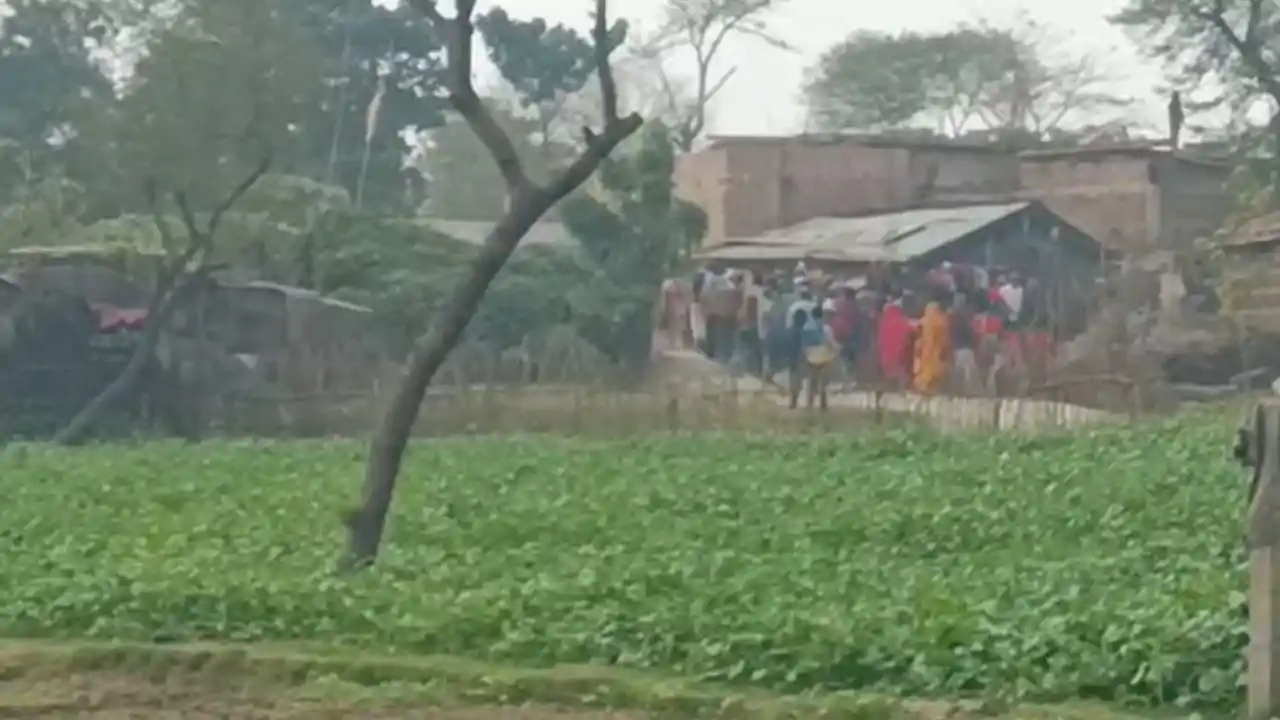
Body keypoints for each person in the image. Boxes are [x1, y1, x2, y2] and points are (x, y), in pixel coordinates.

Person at [790, 302, 838, 410]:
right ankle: (823, 403)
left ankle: (810, 403)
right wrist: (836, 351)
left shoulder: (807, 328)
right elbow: (831, 343)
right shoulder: (826, 328)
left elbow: (804, 344)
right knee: (823, 379)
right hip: (824, 356)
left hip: (811, 356)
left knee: (812, 379)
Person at [913, 295, 951, 395]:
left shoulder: (923, 322)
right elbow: (945, 340)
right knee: (935, 374)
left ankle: (923, 390)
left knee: (924, 374)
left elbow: (918, 339)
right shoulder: (943, 321)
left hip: (925, 353)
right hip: (936, 353)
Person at [877, 296, 913, 390]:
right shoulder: (903, 320)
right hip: (900, 354)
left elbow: (880, 340)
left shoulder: (883, 322)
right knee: (901, 375)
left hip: (886, 355)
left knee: (889, 375)